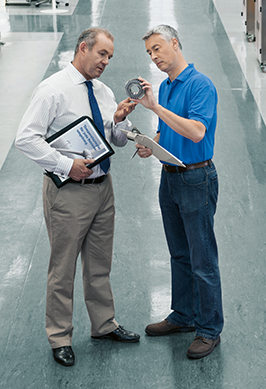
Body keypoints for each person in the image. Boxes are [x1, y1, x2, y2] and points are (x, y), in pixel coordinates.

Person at [15, 27, 140, 367]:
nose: (106, 62)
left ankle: (104, 324)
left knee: (99, 264)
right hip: (69, 193)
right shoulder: (53, 90)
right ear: (83, 48)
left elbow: (115, 140)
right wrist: (65, 165)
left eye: (110, 57)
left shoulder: (102, 90)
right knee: (63, 267)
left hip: (103, 189)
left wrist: (120, 123)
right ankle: (60, 336)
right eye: (102, 54)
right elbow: (26, 138)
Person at [134, 25, 223, 359]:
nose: (155, 57)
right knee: (179, 254)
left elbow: (197, 132)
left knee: (203, 259)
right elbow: (166, 132)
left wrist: (155, 107)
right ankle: (184, 315)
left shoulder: (201, 85)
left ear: (175, 43)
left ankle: (209, 329)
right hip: (169, 177)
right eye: (149, 53)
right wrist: (149, 145)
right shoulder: (167, 86)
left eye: (158, 48)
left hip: (196, 179)